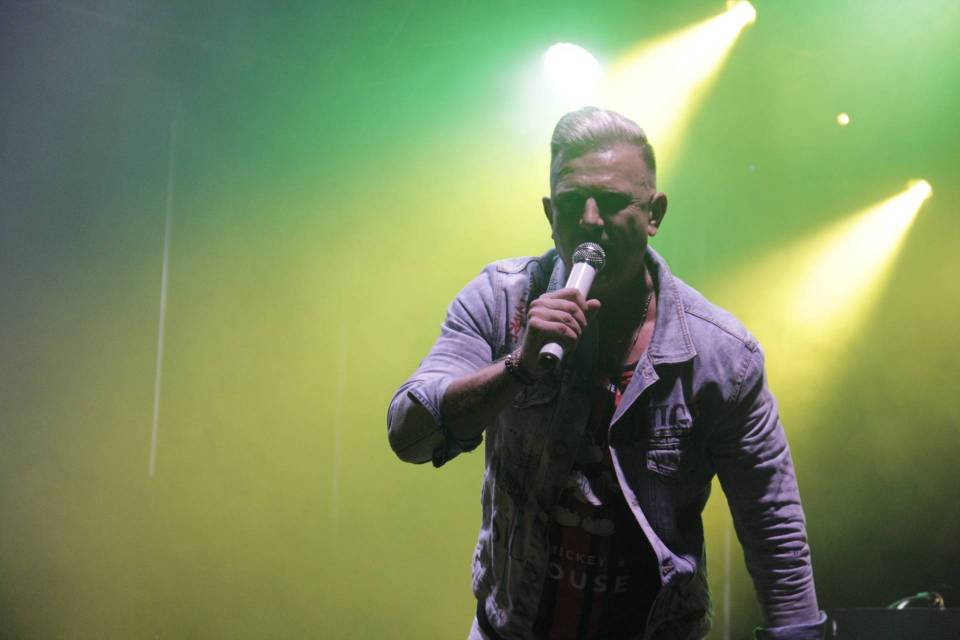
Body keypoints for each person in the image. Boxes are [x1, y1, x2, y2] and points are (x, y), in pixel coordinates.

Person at [387, 107, 826, 640]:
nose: (591, 220)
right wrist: (518, 367)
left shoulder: (722, 355)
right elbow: (409, 434)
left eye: (613, 202)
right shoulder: (499, 302)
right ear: (550, 214)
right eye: (572, 203)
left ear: (655, 213)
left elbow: (771, 520)